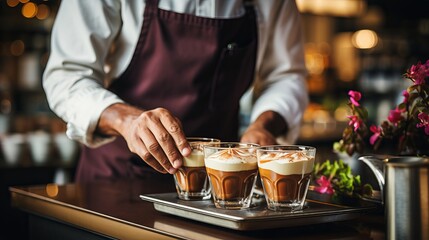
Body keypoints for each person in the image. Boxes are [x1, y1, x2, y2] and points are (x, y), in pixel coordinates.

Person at [43, 0, 308, 183]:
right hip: (116, 181)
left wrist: (263, 125)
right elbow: (66, 75)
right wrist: (127, 121)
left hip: (218, 186)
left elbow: (285, 76)